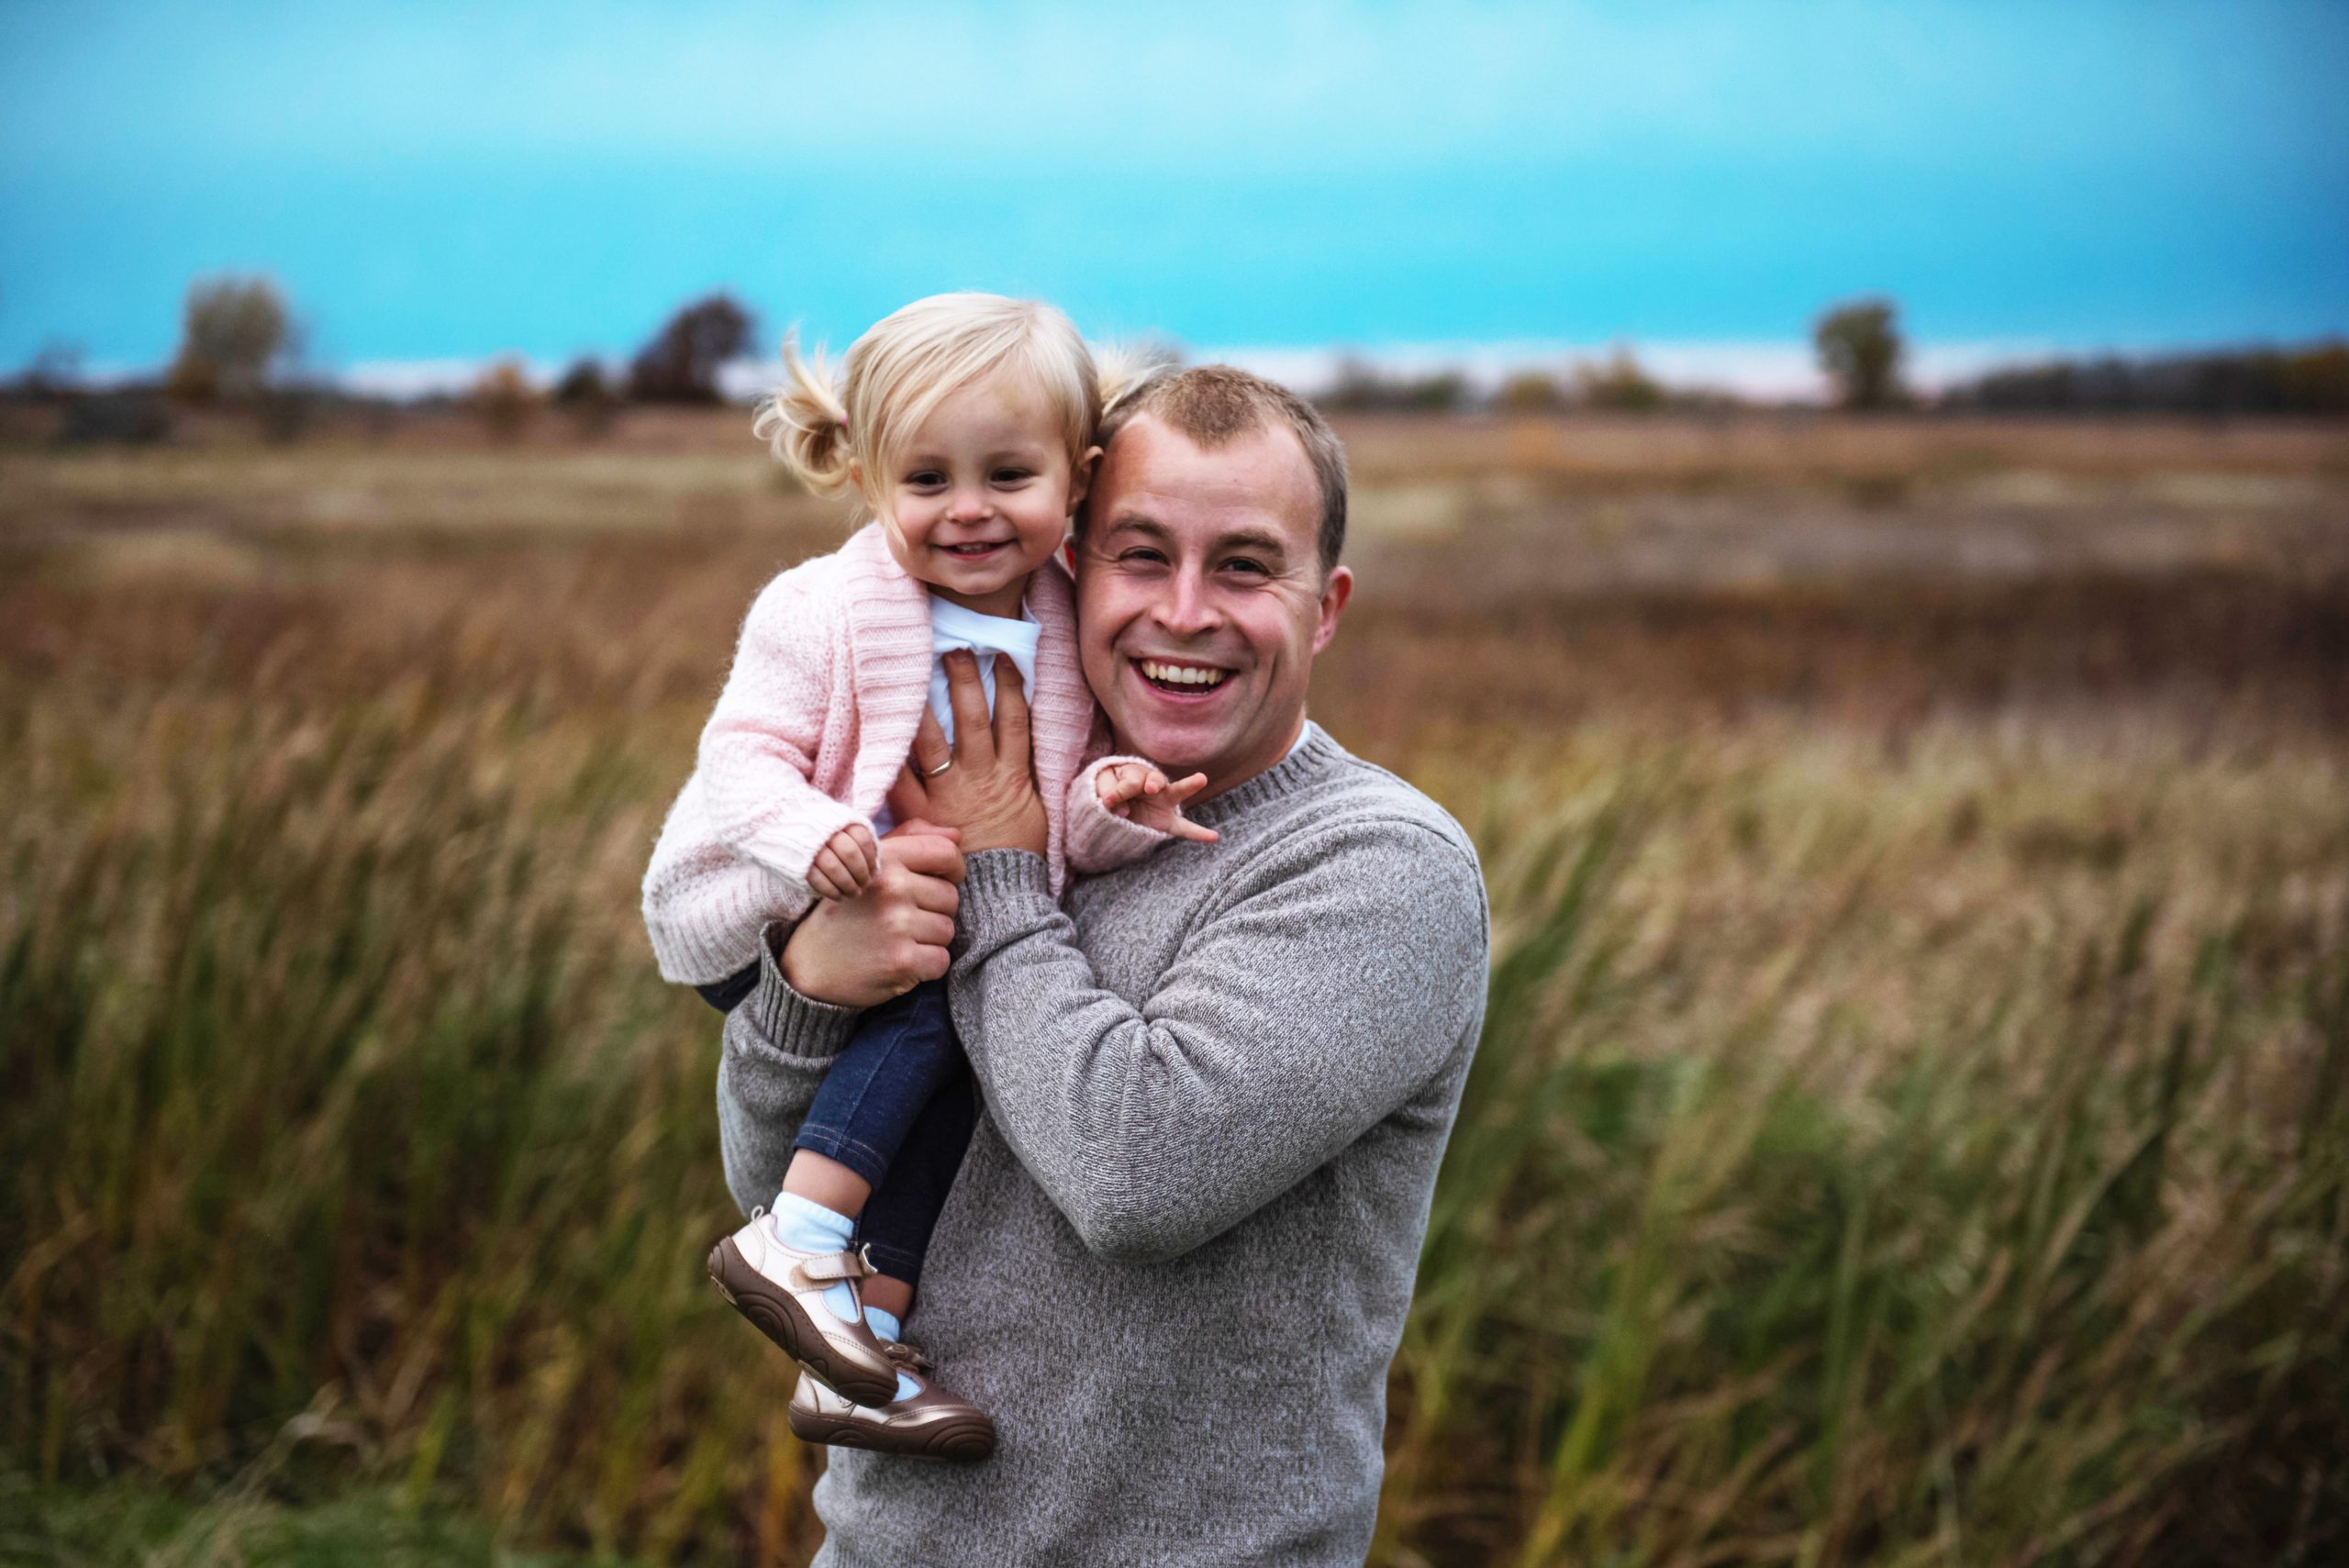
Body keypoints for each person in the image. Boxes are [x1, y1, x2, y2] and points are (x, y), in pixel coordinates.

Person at [717, 364, 1491, 1564]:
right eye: (1139, 554)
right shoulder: (1005, 796)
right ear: (1066, 565)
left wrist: (1000, 879)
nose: (1184, 612)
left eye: (1243, 564)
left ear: (1325, 604)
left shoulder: (1380, 866)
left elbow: (1140, 1176)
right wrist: (808, 989)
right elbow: (779, 1197)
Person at [640, 294, 1211, 1456]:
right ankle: (795, 1234)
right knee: (949, 1005)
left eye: (1008, 474)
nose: (968, 511)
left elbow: (1044, 829)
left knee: (953, 1087)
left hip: (928, 918)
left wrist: (1112, 807)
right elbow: (737, 755)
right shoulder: (823, 609)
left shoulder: (1065, 622)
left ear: (1079, 476)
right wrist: (808, 840)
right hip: (770, 913)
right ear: (866, 478)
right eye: (926, 480)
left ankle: (858, 1349)